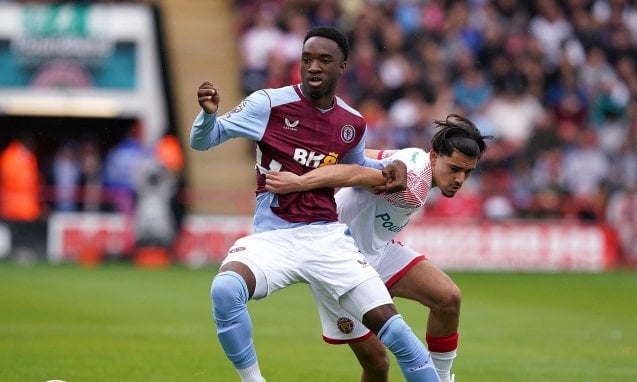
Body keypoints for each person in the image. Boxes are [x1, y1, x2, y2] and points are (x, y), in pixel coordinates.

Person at [190, 26, 440, 382]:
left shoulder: (351, 123)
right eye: (307, 59)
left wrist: (389, 169)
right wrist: (208, 116)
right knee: (226, 289)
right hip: (274, 236)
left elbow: (356, 167)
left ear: (343, 67)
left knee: (398, 334)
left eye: (324, 60)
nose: (313, 67)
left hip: (327, 239)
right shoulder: (269, 104)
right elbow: (204, 141)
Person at [266, 114, 491, 382]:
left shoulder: (414, 157)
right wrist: (300, 182)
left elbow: (362, 156)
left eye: (467, 172)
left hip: (378, 251)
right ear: (434, 157)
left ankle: (440, 378)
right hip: (338, 262)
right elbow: (357, 173)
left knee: (447, 298)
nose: (460, 179)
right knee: (377, 364)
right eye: (454, 168)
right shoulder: (412, 187)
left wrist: (332, 155)